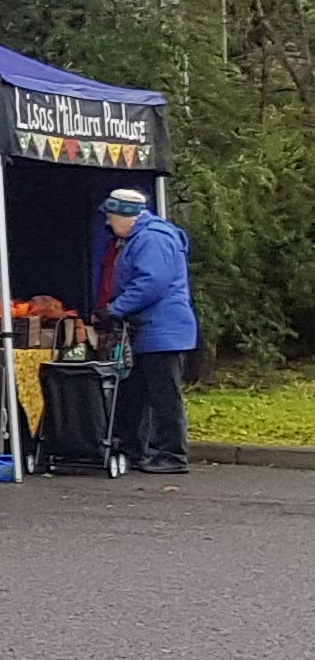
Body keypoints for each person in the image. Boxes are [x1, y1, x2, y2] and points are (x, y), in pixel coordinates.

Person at [89, 185, 195, 474]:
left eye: (111, 217)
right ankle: (134, 449)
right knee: (136, 391)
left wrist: (115, 309)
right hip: (153, 330)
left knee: (164, 395)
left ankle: (172, 454)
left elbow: (151, 283)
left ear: (127, 216)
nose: (108, 223)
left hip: (163, 331)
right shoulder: (142, 238)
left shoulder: (152, 239)